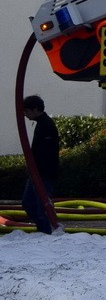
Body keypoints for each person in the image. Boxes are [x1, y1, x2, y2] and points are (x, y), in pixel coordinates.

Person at [22, 95, 60, 234]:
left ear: (35, 109)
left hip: (43, 173)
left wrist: (35, 167)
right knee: (30, 204)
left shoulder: (46, 125)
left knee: (39, 206)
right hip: (38, 172)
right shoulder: (42, 124)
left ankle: (46, 232)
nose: (25, 115)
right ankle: (43, 230)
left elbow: (45, 153)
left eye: (27, 111)